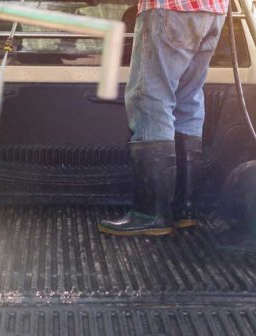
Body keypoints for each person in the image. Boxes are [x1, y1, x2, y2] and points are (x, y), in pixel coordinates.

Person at [98, 0, 229, 236]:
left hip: (170, 8)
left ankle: (151, 214)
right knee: (187, 99)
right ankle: (184, 209)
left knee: (150, 98)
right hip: (214, 11)